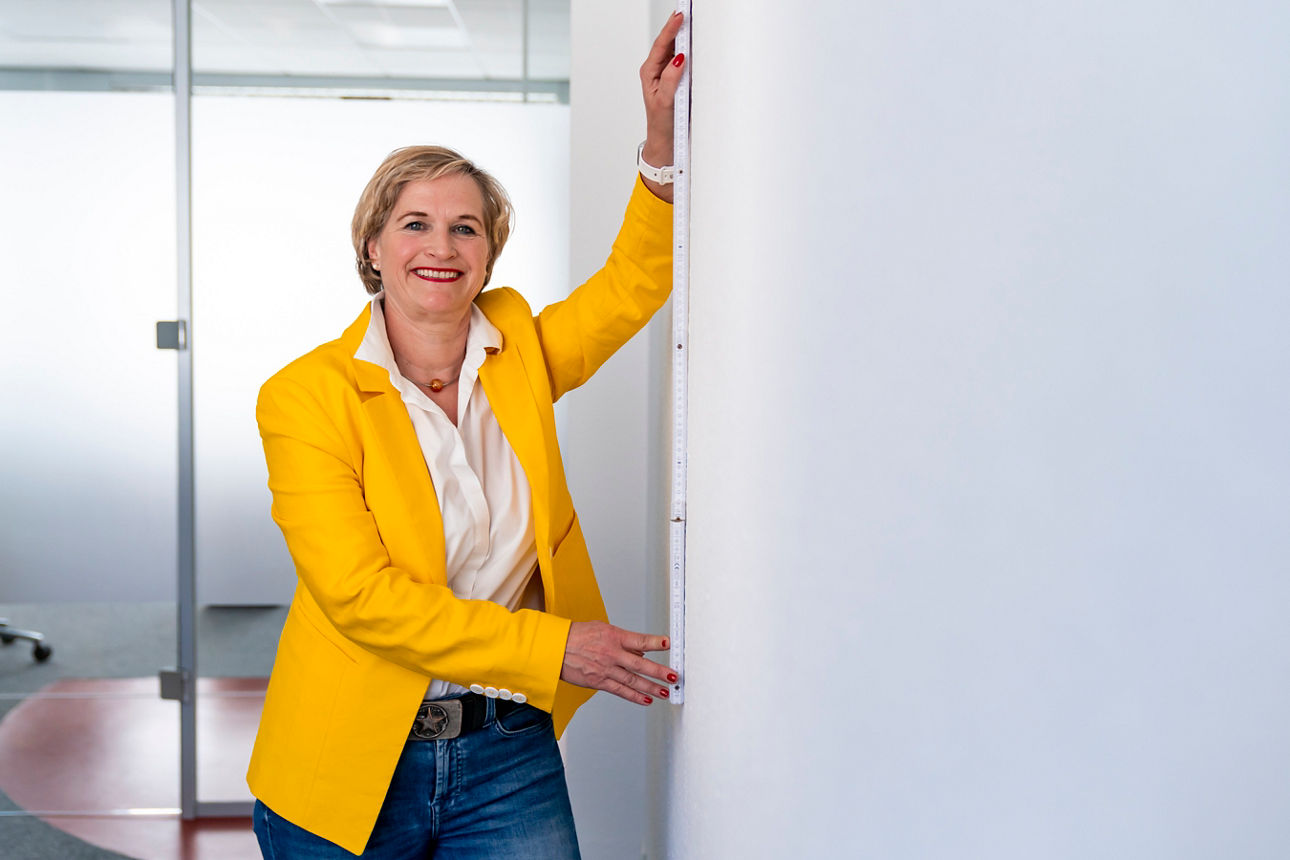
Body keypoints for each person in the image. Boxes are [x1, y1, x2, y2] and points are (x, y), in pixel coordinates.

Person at [247, 12, 687, 859]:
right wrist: (557, 646)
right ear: (372, 247)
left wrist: (661, 146)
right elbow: (363, 599)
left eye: (465, 227)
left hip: (505, 752)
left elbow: (631, 286)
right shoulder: (306, 397)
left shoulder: (517, 348)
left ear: (489, 254)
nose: (440, 247)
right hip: (348, 763)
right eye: (414, 224)